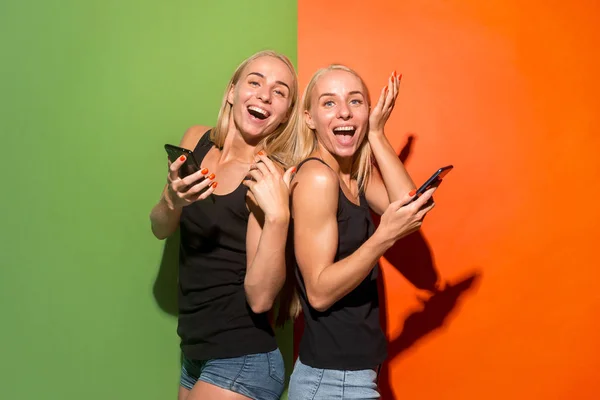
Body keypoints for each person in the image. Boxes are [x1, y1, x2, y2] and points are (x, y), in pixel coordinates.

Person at [150, 50, 299, 400]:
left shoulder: (265, 174)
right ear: (232, 92)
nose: (265, 94)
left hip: (242, 357)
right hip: (194, 352)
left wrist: (278, 217)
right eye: (255, 81)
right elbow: (159, 226)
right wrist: (174, 200)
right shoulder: (196, 140)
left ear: (285, 115)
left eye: (280, 91)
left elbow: (261, 299)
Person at [287, 65, 438, 399]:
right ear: (309, 118)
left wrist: (376, 135)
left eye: (355, 101)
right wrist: (384, 236)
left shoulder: (354, 174)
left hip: (352, 375)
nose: (344, 111)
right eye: (329, 103)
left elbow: (411, 207)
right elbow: (319, 292)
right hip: (332, 382)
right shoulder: (317, 177)